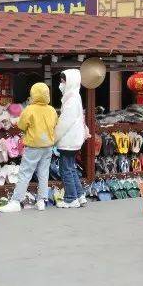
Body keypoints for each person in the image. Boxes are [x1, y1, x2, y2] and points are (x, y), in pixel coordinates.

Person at [0, 82, 58, 213]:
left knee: (25, 173)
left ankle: (16, 201)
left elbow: (21, 125)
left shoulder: (30, 109)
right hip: (48, 146)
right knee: (43, 173)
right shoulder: (52, 110)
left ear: (33, 94)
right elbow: (55, 124)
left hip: (33, 145)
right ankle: (41, 200)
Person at [53, 69, 86, 209]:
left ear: (70, 82)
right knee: (71, 168)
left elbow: (65, 122)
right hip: (74, 140)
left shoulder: (71, 99)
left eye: (63, 81)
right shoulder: (75, 96)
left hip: (68, 140)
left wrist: (54, 137)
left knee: (65, 169)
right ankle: (79, 195)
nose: (61, 84)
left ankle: (71, 198)